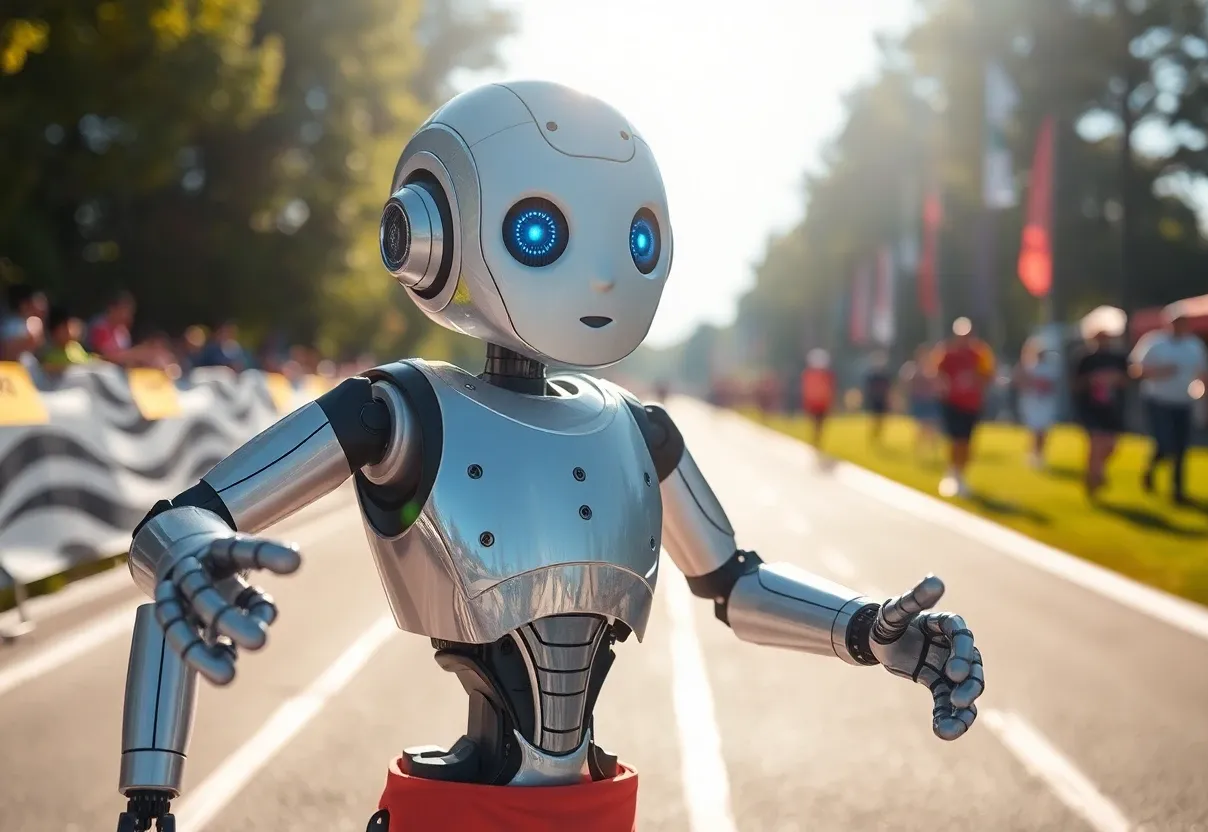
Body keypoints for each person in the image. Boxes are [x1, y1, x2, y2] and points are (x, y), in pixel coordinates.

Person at [112, 81, 986, 832]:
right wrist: (152, 780)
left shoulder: (635, 428)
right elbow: (184, 519)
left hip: (595, 808)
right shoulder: (402, 409)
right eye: (541, 230)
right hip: (456, 814)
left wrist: (863, 629)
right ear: (426, 231)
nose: (605, 275)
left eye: (633, 241)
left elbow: (731, 584)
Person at [1129, 309, 1208, 505]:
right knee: (1165, 443)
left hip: (1183, 401)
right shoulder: (1154, 342)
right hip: (1158, 400)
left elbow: (1203, 374)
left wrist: (1204, 397)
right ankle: (1151, 469)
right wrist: (1158, 372)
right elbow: (1135, 370)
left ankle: (1178, 491)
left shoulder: (1194, 345)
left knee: (1182, 446)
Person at [931, 318, 995, 498]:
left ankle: (961, 475)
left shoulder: (980, 353)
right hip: (952, 403)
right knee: (955, 440)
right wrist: (945, 387)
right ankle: (952, 473)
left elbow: (988, 375)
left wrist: (975, 381)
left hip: (972, 404)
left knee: (966, 442)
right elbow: (937, 374)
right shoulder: (947, 352)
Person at [1072, 326, 1129, 499]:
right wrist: (1093, 380)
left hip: (1111, 408)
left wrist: (1114, 380)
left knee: (1110, 446)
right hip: (1090, 407)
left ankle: (1097, 471)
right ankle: (1093, 480)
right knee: (1096, 442)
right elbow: (1075, 383)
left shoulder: (1118, 359)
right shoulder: (1085, 359)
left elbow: (1126, 381)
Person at [1014, 337, 1062, 470]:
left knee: (1043, 430)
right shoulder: (1029, 366)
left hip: (1045, 403)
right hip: (1032, 402)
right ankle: (1033, 453)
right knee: (1034, 430)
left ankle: (1040, 454)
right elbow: (1019, 380)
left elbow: (1053, 385)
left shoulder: (1050, 368)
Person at [901, 344, 940, 462]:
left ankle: (933, 452)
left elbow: (937, 384)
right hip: (919, 401)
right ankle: (919, 451)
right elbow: (906, 384)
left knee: (932, 427)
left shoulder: (933, 368)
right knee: (922, 427)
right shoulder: (912, 368)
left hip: (930, 401)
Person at [87, 291, 143, 366]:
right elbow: (102, 357)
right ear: (112, 309)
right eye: (124, 311)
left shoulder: (123, 331)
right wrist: (135, 355)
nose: (127, 316)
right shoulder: (99, 326)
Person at [1, 283, 48, 365]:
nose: (43, 307)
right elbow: (7, 353)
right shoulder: (13, 325)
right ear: (24, 304)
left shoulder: (27, 322)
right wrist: (31, 338)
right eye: (38, 302)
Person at [38, 306, 92, 374]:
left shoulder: (75, 346)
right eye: (68, 327)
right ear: (56, 331)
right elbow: (47, 369)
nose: (74, 330)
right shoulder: (49, 354)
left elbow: (87, 362)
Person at [800, 348, 836, 449]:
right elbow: (807, 390)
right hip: (814, 404)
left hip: (822, 404)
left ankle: (817, 440)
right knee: (816, 424)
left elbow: (830, 390)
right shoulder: (809, 375)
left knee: (820, 424)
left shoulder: (827, 375)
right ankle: (816, 440)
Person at [861, 350, 893, 446]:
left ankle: (878, 435)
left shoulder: (885, 375)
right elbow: (867, 388)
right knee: (874, 418)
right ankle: (873, 434)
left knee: (881, 419)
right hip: (874, 399)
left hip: (882, 399)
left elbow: (888, 388)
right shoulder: (871, 375)